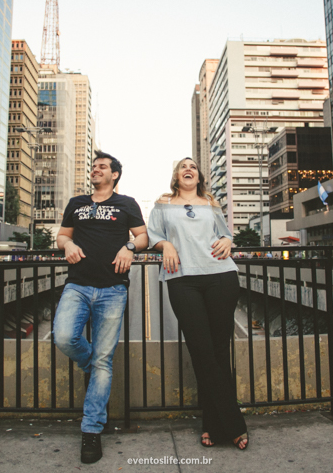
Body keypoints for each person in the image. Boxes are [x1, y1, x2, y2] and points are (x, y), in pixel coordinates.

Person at [147, 157, 249, 451]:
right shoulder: (163, 204)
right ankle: (234, 423)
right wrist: (165, 245)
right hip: (182, 279)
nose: (188, 169)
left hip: (221, 275)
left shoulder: (210, 203)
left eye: (192, 166)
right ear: (176, 176)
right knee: (202, 352)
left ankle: (211, 425)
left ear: (199, 175)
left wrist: (229, 241)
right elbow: (154, 236)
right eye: (183, 167)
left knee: (218, 352)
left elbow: (225, 234)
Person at [54, 151, 148, 464]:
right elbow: (62, 236)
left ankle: (91, 430)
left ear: (115, 175)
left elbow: (143, 236)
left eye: (102, 167)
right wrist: (67, 244)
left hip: (113, 289)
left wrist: (130, 247)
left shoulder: (127, 204)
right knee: (65, 337)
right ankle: (94, 369)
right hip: (77, 285)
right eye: (94, 167)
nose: (96, 170)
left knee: (105, 359)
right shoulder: (76, 203)